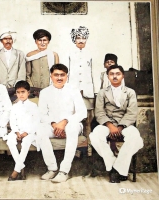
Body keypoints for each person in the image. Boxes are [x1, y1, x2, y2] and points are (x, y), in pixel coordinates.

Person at [90, 65, 143, 183]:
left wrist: (120, 127)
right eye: (111, 74)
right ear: (108, 76)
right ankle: (115, 164)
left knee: (136, 138)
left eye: (117, 74)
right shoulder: (102, 93)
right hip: (107, 124)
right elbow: (99, 112)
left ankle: (116, 169)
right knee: (94, 136)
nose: (115, 76)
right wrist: (110, 126)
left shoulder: (130, 92)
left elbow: (132, 113)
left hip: (125, 125)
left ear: (122, 75)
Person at [37, 64, 87, 183]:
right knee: (40, 130)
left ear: (67, 76)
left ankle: (64, 171)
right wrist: (54, 124)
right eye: (56, 75)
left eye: (62, 75)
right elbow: (42, 114)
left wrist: (65, 122)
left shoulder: (74, 90)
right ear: (51, 76)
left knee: (72, 128)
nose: (59, 78)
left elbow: (82, 112)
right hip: (52, 126)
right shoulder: (45, 92)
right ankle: (52, 168)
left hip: (71, 124)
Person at [6, 81, 39, 181]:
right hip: (17, 131)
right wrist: (16, 132)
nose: (21, 94)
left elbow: (36, 122)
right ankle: (21, 167)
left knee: (26, 142)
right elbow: (12, 121)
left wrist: (26, 132)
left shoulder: (33, 106)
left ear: (28, 93)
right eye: (18, 92)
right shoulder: (14, 106)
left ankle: (16, 170)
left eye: (23, 92)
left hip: (29, 132)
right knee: (10, 141)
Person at [69, 26, 94, 155]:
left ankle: (88, 149)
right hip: (73, 92)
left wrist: (92, 90)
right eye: (78, 38)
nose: (81, 40)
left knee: (88, 121)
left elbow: (92, 73)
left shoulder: (90, 54)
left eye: (84, 38)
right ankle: (76, 149)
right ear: (74, 39)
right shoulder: (69, 54)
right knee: (75, 119)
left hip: (87, 92)